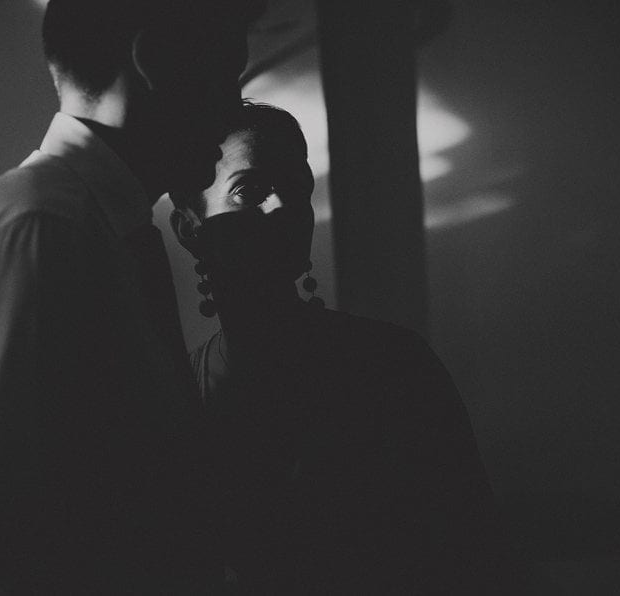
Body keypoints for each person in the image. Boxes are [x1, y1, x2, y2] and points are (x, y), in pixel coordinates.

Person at [0, 1, 263, 594]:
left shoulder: (101, 230)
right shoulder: (44, 232)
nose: (234, 106)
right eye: (226, 71)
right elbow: (3, 549)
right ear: (155, 59)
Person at [169, 102, 531, 593]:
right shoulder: (184, 394)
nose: (282, 206)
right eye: (249, 190)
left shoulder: (393, 367)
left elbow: (476, 552)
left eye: (297, 188)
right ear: (191, 226)